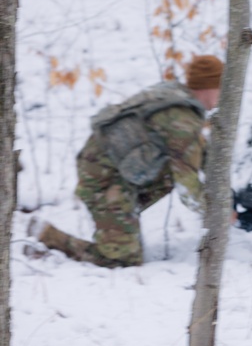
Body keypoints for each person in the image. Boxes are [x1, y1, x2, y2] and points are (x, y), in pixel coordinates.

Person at [30, 55, 224, 267]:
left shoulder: (178, 100)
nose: (224, 94)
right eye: (221, 87)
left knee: (167, 175)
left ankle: (121, 221)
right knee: (124, 259)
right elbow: (186, 183)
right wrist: (218, 212)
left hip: (115, 171)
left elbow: (198, 154)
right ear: (209, 86)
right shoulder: (182, 119)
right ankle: (47, 235)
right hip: (102, 177)